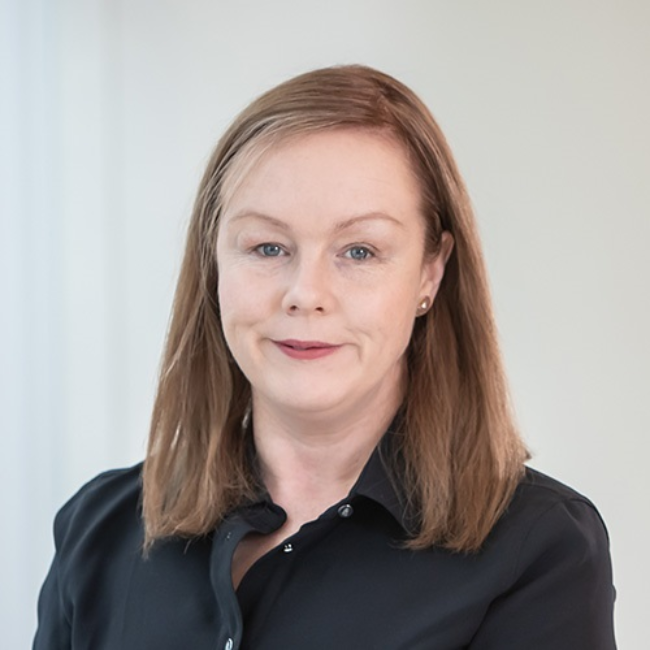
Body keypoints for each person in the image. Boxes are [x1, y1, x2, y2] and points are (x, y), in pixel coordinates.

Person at [33, 64, 617, 649]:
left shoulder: (538, 552)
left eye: (359, 251)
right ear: (213, 264)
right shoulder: (99, 528)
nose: (306, 294)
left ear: (430, 273)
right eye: (267, 247)